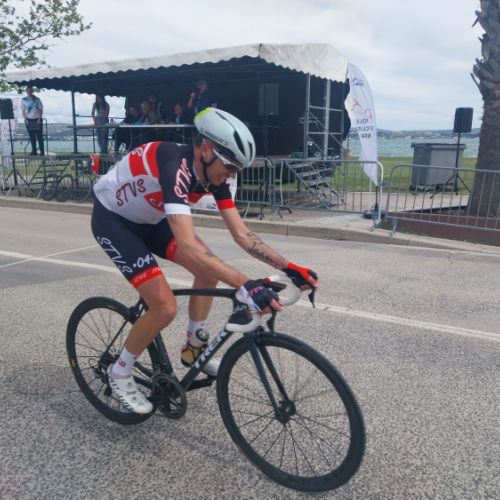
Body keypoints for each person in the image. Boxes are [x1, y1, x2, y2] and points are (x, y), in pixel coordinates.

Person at [91, 107, 318, 413]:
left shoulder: (215, 177)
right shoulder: (174, 165)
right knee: (164, 307)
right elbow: (188, 246)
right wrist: (246, 284)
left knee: (208, 272)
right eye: (230, 166)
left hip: (152, 220)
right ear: (206, 149)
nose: (232, 175)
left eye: (238, 169)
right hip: (114, 222)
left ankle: (193, 349)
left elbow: (242, 235)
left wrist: (288, 267)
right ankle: (119, 371)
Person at [21, 86, 44, 156]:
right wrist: (25, 119)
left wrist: (39, 118)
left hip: (37, 119)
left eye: (30, 90)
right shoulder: (24, 99)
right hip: (29, 120)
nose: (29, 92)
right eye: (27, 91)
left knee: (39, 137)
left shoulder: (37, 99)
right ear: (26, 91)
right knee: (32, 137)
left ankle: (42, 151)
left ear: (32, 91)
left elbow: (41, 109)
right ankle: (34, 151)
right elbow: (23, 110)